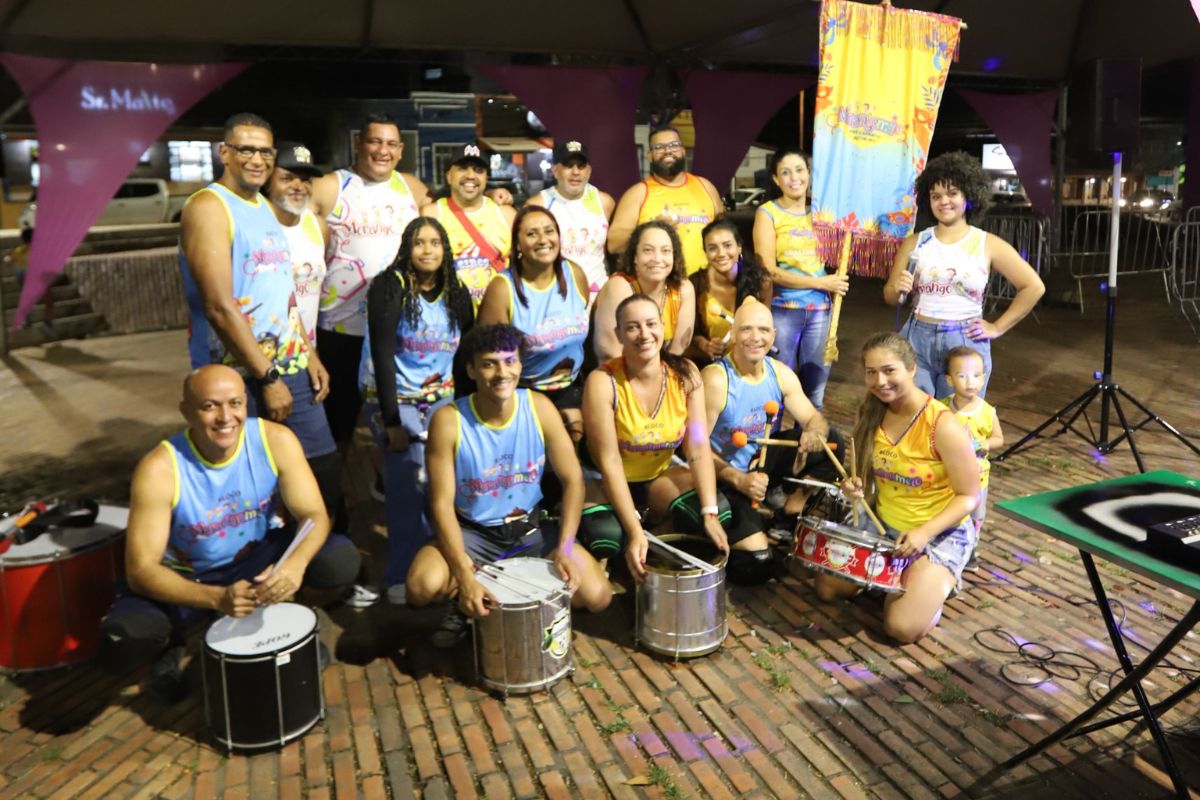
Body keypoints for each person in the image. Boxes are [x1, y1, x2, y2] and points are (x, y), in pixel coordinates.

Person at [99, 365, 360, 701]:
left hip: (255, 558)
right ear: (186, 412)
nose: (226, 417)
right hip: (188, 576)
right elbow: (141, 571)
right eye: (210, 406)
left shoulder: (275, 439)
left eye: (235, 403)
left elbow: (315, 515)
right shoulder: (159, 469)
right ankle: (172, 643)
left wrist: (293, 568)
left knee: (339, 560)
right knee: (126, 637)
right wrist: (216, 598)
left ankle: (284, 616)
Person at [406, 324, 611, 647]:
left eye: (509, 361)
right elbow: (440, 504)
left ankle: (511, 589)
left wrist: (566, 547)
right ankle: (463, 597)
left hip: (530, 529)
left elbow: (573, 480)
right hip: (473, 533)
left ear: (520, 364)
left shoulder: (539, 407)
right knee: (421, 586)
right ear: (471, 369)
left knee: (598, 597)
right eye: (489, 364)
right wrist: (463, 573)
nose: (502, 373)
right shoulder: (449, 420)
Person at [179, 113, 338, 515]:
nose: (257, 159)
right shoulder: (209, 207)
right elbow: (218, 306)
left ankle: (320, 549)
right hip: (240, 375)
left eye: (265, 151)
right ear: (224, 153)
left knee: (322, 470)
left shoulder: (263, 207)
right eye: (246, 150)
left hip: (291, 366)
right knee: (250, 482)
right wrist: (267, 378)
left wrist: (309, 354)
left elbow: (281, 292)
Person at [813, 333, 979, 644]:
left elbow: (969, 496)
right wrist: (853, 487)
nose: (880, 381)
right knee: (827, 590)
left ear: (912, 369)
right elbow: (863, 478)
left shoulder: (942, 424)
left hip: (936, 533)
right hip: (883, 525)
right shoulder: (871, 413)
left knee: (901, 627)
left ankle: (933, 585)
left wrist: (924, 533)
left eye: (889, 370)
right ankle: (897, 579)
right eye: (871, 372)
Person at [361, 217, 475, 605]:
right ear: (407, 248)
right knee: (408, 482)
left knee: (444, 484)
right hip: (395, 399)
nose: (427, 250)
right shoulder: (390, 286)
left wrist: (465, 410)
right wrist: (392, 420)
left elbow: (465, 354)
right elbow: (382, 355)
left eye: (435, 242)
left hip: (441, 399)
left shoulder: (457, 290)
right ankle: (400, 572)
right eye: (419, 242)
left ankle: (443, 562)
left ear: (446, 249)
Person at [578, 294, 730, 582]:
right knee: (606, 537)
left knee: (716, 511)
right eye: (632, 327)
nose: (644, 334)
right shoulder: (603, 381)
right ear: (619, 334)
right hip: (604, 479)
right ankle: (623, 548)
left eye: (651, 324)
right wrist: (634, 531)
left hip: (657, 474)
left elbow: (698, 447)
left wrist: (709, 513)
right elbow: (609, 461)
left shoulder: (686, 374)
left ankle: (648, 542)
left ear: (663, 326)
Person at [702, 299, 844, 584]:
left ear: (774, 335)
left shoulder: (779, 372)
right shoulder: (716, 380)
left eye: (764, 330)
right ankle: (715, 535)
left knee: (832, 441)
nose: (756, 337)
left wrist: (812, 432)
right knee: (756, 564)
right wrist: (738, 480)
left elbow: (814, 419)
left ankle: (789, 512)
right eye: (747, 329)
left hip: (762, 462)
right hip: (724, 475)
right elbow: (694, 449)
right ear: (734, 334)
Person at [883, 150, 1045, 399]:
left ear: (969, 195)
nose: (943, 201)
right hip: (916, 339)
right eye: (936, 196)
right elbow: (890, 296)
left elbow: (1033, 286)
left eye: (952, 193)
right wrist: (897, 290)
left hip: (965, 341)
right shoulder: (915, 243)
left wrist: (997, 327)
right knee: (917, 415)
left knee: (960, 419)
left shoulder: (987, 243)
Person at [310, 112, 430, 447]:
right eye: (375, 141)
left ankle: (391, 475)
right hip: (341, 329)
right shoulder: (331, 186)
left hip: (398, 330)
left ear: (401, 150)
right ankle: (333, 480)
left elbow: (448, 213)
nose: (382, 150)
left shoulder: (411, 187)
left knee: (399, 420)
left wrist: (499, 197)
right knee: (338, 425)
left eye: (391, 144)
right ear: (359, 143)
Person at [477, 206, 590, 441]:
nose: (543, 240)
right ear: (518, 244)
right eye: (531, 234)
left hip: (570, 386)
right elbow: (488, 359)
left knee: (576, 435)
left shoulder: (574, 273)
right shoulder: (502, 288)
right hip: (521, 391)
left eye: (549, 231)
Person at [753, 148, 847, 410]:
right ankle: (774, 437)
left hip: (821, 313)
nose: (794, 178)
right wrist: (822, 283)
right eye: (785, 172)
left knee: (814, 394)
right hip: (783, 312)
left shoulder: (823, 214)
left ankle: (808, 438)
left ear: (809, 173)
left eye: (799, 170)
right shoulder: (768, 213)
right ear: (776, 179)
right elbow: (769, 270)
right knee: (777, 391)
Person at [607, 126, 724, 275]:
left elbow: (724, 232)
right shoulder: (637, 193)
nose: (668, 151)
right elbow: (613, 245)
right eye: (659, 147)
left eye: (674, 145)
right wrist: (650, 229)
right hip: (658, 285)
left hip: (707, 283)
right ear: (650, 155)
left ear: (683, 150)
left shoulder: (706, 187)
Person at [422, 143, 517, 308]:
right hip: (448, 315)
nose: (471, 175)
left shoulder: (507, 215)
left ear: (486, 178)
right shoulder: (431, 214)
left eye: (478, 170)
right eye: (462, 168)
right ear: (449, 176)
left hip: (498, 314)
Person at [592, 220, 695, 360]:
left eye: (665, 251)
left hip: (663, 368)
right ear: (635, 257)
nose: (657, 258)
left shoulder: (683, 289)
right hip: (618, 368)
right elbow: (610, 352)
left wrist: (662, 372)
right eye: (648, 250)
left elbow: (677, 351)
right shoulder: (619, 286)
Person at [941, 346, 1003, 572]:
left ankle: (970, 549)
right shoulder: (943, 408)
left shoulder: (987, 412)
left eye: (976, 375)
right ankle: (947, 542)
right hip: (948, 475)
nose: (970, 382)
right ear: (949, 379)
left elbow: (999, 438)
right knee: (949, 509)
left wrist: (986, 443)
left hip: (978, 476)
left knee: (976, 514)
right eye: (962, 375)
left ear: (983, 378)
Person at [527, 140, 615, 299]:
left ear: (589, 171)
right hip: (555, 297)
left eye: (581, 166)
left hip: (598, 298)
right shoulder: (538, 205)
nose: (575, 172)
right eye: (568, 166)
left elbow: (614, 252)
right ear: (555, 171)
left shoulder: (604, 202)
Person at [686, 219, 771, 368]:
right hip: (708, 365)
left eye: (727, 245)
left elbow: (765, 328)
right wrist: (705, 345)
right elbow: (689, 333)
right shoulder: (694, 284)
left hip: (750, 362)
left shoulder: (761, 281)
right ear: (705, 252)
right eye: (713, 248)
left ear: (739, 248)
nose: (721, 254)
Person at [266, 142, 328, 346]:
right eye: (287, 178)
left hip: (307, 350)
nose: (298, 186)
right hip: (267, 349)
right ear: (268, 182)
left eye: (305, 179)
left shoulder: (317, 225)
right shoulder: (257, 225)